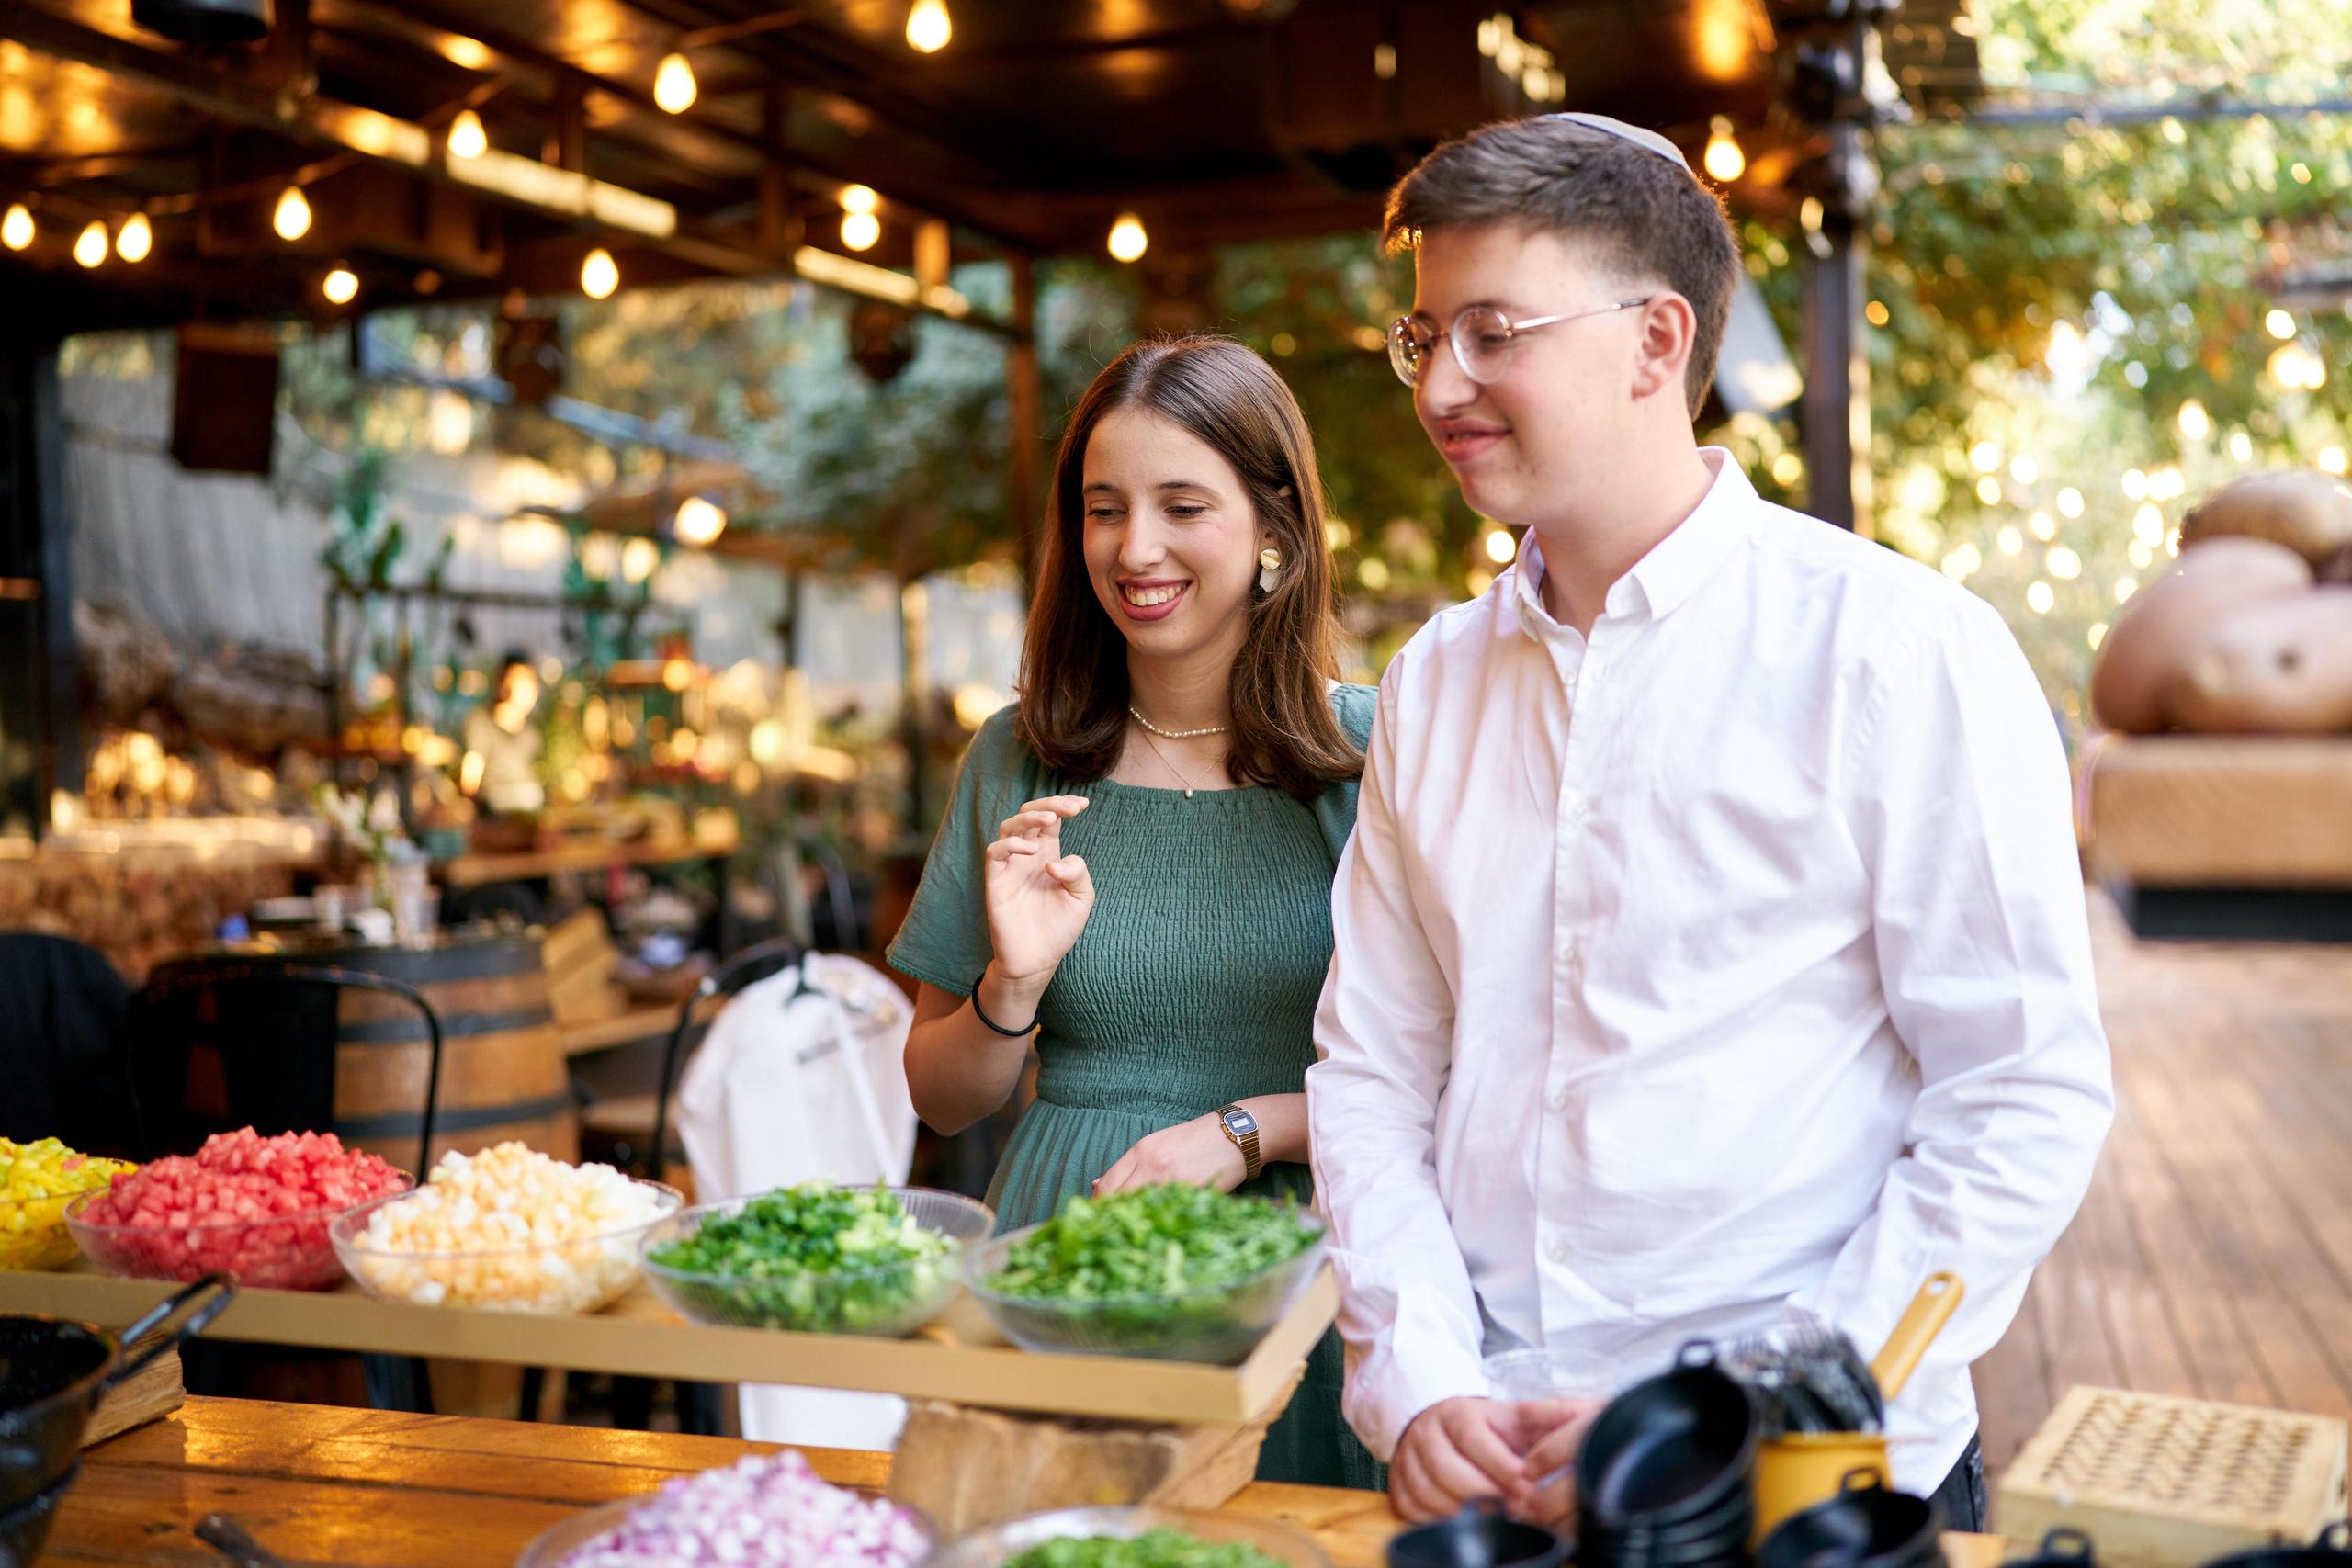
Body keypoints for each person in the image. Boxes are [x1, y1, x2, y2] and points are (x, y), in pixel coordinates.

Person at [1306, 113, 2114, 1528]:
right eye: (1423, 337)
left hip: (1803, 1480)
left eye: (1492, 332)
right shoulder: (1429, 684)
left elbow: (2019, 1092)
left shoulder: (1897, 648)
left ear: (1656, 341)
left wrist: (1748, 1404)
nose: (1440, 384)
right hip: (1492, 1460)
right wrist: (1418, 1376)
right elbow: (1374, 1071)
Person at [888, 334, 1384, 1489]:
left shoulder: (1372, 755)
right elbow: (941, 1095)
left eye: (1182, 507)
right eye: (1103, 510)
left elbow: (1466, 1071)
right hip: (1067, 1257)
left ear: (1273, 528)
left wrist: (1249, 1128)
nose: (1135, 548)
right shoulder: (1017, 756)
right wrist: (1010, 987)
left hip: (1302, 1264)